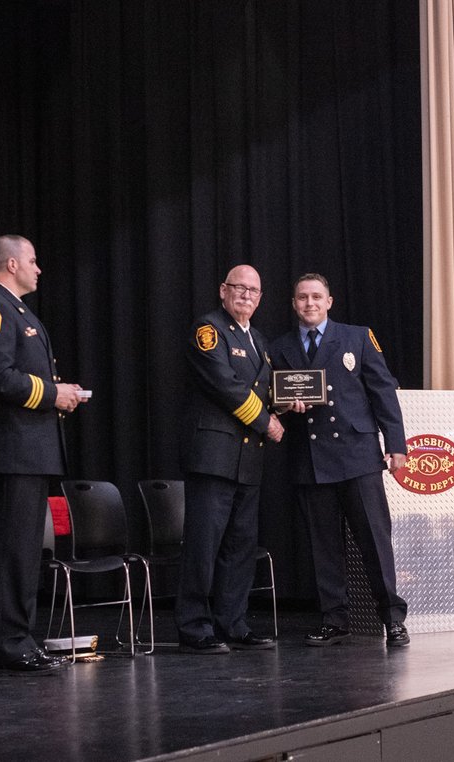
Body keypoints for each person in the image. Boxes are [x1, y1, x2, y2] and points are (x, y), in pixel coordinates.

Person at [269, 273, 410, 648]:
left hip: (358, 455)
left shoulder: (357, 337)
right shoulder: (279, 347)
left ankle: (393, 619)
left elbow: (383, 391)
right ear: (293, 304)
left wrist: (396, 443)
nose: (310, 303)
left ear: (329, 302)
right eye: (302, 297)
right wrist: (283, 405)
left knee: (375, 542)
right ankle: (335, 620)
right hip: (311, 459)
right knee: (324, 548)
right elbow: (272, 400)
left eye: (316, 297)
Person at [0, 235, 87, 671]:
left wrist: (60, 394)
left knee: (23, 551)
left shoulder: (18, 311)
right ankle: (7, 641)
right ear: (12, 264)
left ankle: (18, 637)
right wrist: (53, 394)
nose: (39, 269)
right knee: (12, 551)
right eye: (33, 261)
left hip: (29, 451)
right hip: (13, 451)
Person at [174, 265, 283, 654]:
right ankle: (194, 626)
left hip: (248, 459)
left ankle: (232, 623)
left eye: (254, 291)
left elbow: (267, 392)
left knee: (240, 547)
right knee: (203, 546)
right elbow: (225, 385)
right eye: (239, 287)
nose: (246, 295)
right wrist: (266, 421)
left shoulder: (259, 340)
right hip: (213, 457)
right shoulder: (208, 329)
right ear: (223, 290)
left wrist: (287, 405)